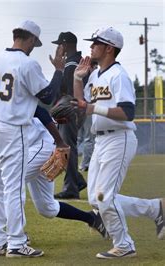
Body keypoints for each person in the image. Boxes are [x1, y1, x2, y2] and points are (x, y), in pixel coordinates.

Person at [0, 83, 108, 256]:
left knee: (10, 183)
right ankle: (92, 218)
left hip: (41, 144)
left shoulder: (6, 104)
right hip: (26, 150)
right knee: (47, 207)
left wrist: (60, 142)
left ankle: (10, 238)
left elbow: (41, 112)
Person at [73, 27, 164, 259]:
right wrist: (76, 78)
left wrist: (93, 108)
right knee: (96, 199)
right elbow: (80, 103)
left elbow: (128, 112)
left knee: (105, 196)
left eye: (96, 43)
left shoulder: (118, 75)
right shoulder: (95, 75)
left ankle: (124, 245)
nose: (92, 46)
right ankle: (156, 208)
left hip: (119, 138)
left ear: (109, 48)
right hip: (101, 141)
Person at [0, 20, 65, 258]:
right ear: (30, 40)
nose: (33, 48)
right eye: (34, 44)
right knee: (13, 187)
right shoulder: (27, 63)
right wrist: (58, 70)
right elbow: (47, 96)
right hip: (10, 128)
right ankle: (16, 243)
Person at [51, 32, 88, 199]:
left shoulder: (72, 64)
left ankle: (71, 188)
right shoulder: (72, 62)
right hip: (71, 109)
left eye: (60, 44)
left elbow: (71, 92)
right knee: (65, 147)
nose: (58, 47)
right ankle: (77, 180)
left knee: (67, 148)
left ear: (66, 45)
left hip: (70, 110)